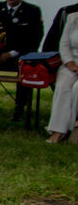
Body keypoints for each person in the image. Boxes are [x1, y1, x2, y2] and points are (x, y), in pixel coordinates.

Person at [0, 0, 44, 122]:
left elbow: (34, 39)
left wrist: (10, 54)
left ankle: (20, 108)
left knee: (26, 66)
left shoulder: (32, 11)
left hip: (17, 55)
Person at [45, 13, 78, 143]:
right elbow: (63, 44)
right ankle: (58, 130)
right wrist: (70, 62)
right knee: (63, 86)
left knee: (76, 89)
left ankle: (71, 128)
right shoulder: (72, 17)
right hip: (71, 63)